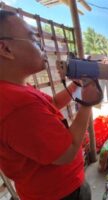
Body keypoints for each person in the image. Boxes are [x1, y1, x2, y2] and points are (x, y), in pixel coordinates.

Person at [0, 11, 101, 200]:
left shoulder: (15, 90)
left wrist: (76, 84)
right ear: (5, 49)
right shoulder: (17, 105)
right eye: (33, 39)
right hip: (60, 194)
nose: (41, 47)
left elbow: (52, 104)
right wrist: (87, 105)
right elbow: (68, 151)